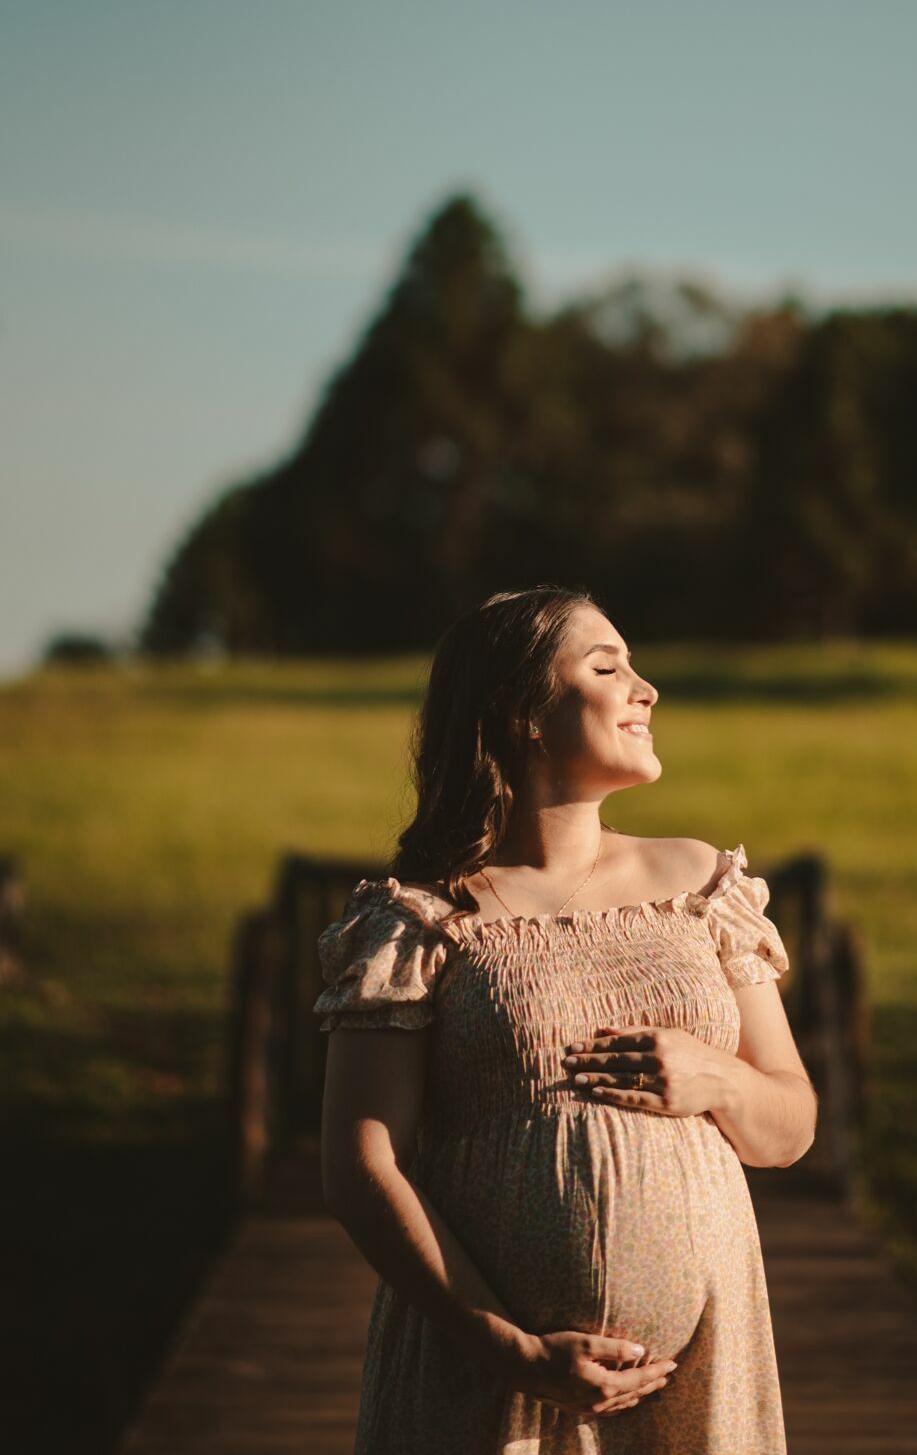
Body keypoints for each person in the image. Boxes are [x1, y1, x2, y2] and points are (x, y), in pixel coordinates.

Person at [316, 584, 818, 1452]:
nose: (645, 688)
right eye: (607, 666)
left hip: (698, 1379)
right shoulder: (422, 920)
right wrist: (504, 1346)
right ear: (521, 712)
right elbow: (363, 1163)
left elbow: (790, 1127)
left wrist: (718, 1078)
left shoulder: (700, 884)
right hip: (484, 1378)